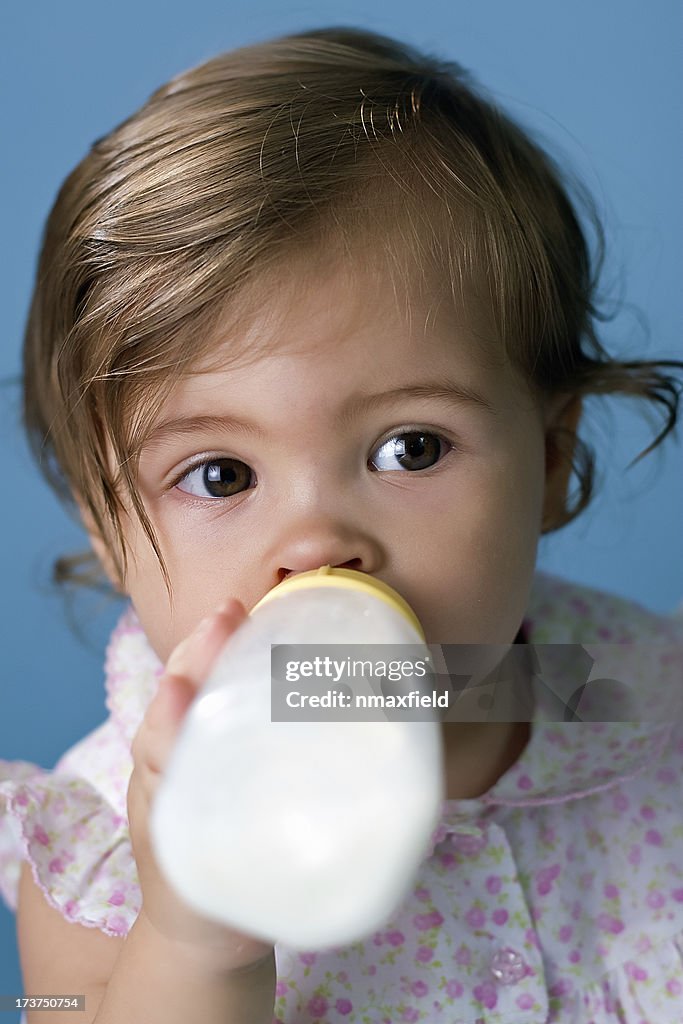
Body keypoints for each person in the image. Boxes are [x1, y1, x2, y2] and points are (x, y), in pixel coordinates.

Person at [1, 24, 682, 1024]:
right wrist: (195, 936)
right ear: (107, 529)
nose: (318, 543)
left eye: (409, 448)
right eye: (221, 473)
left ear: (545, 461)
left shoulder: (627, 693)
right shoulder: (97, 842)